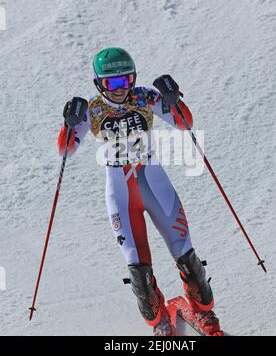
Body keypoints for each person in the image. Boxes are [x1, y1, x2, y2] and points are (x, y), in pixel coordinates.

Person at [56, 47, 221, 336]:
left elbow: (185, 123)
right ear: (99, 84)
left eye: (126, 80)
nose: (120, 89)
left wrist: (173, 99)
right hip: (121, 194)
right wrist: (68, 123)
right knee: (139, 270)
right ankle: (159, 324)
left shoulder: (145, 96)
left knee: (187, 257)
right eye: (112, 83)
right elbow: (65, 150)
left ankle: (204, 315)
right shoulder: (93, 110)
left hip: (155, 184)